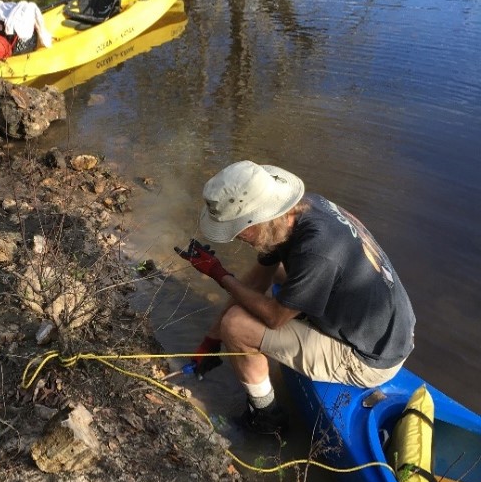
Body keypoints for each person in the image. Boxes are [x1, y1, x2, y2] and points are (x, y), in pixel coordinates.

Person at [176, 160, 415, 435]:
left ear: (257, 219)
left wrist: (219, 275)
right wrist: (211, 339)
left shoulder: (317, 250)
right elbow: (256, 281)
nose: (237, 238)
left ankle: (267, 419)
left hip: (371, 357)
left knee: (236, 325)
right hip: (387, 326)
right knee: (276, 272)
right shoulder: (298, 212)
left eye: (238, 230)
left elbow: (274, 318)